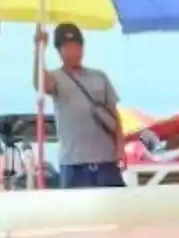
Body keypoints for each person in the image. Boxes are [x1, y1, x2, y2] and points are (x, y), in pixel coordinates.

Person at [34, 22, 125, 189]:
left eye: (77, 46)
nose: (73, 52)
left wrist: (120, 149)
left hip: (106, 163)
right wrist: (39, 50)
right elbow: (40, 84)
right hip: (74, 166)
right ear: (59, 51)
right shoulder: (55, 77)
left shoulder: (100, 76)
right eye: (68, 47)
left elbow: (115, 116)